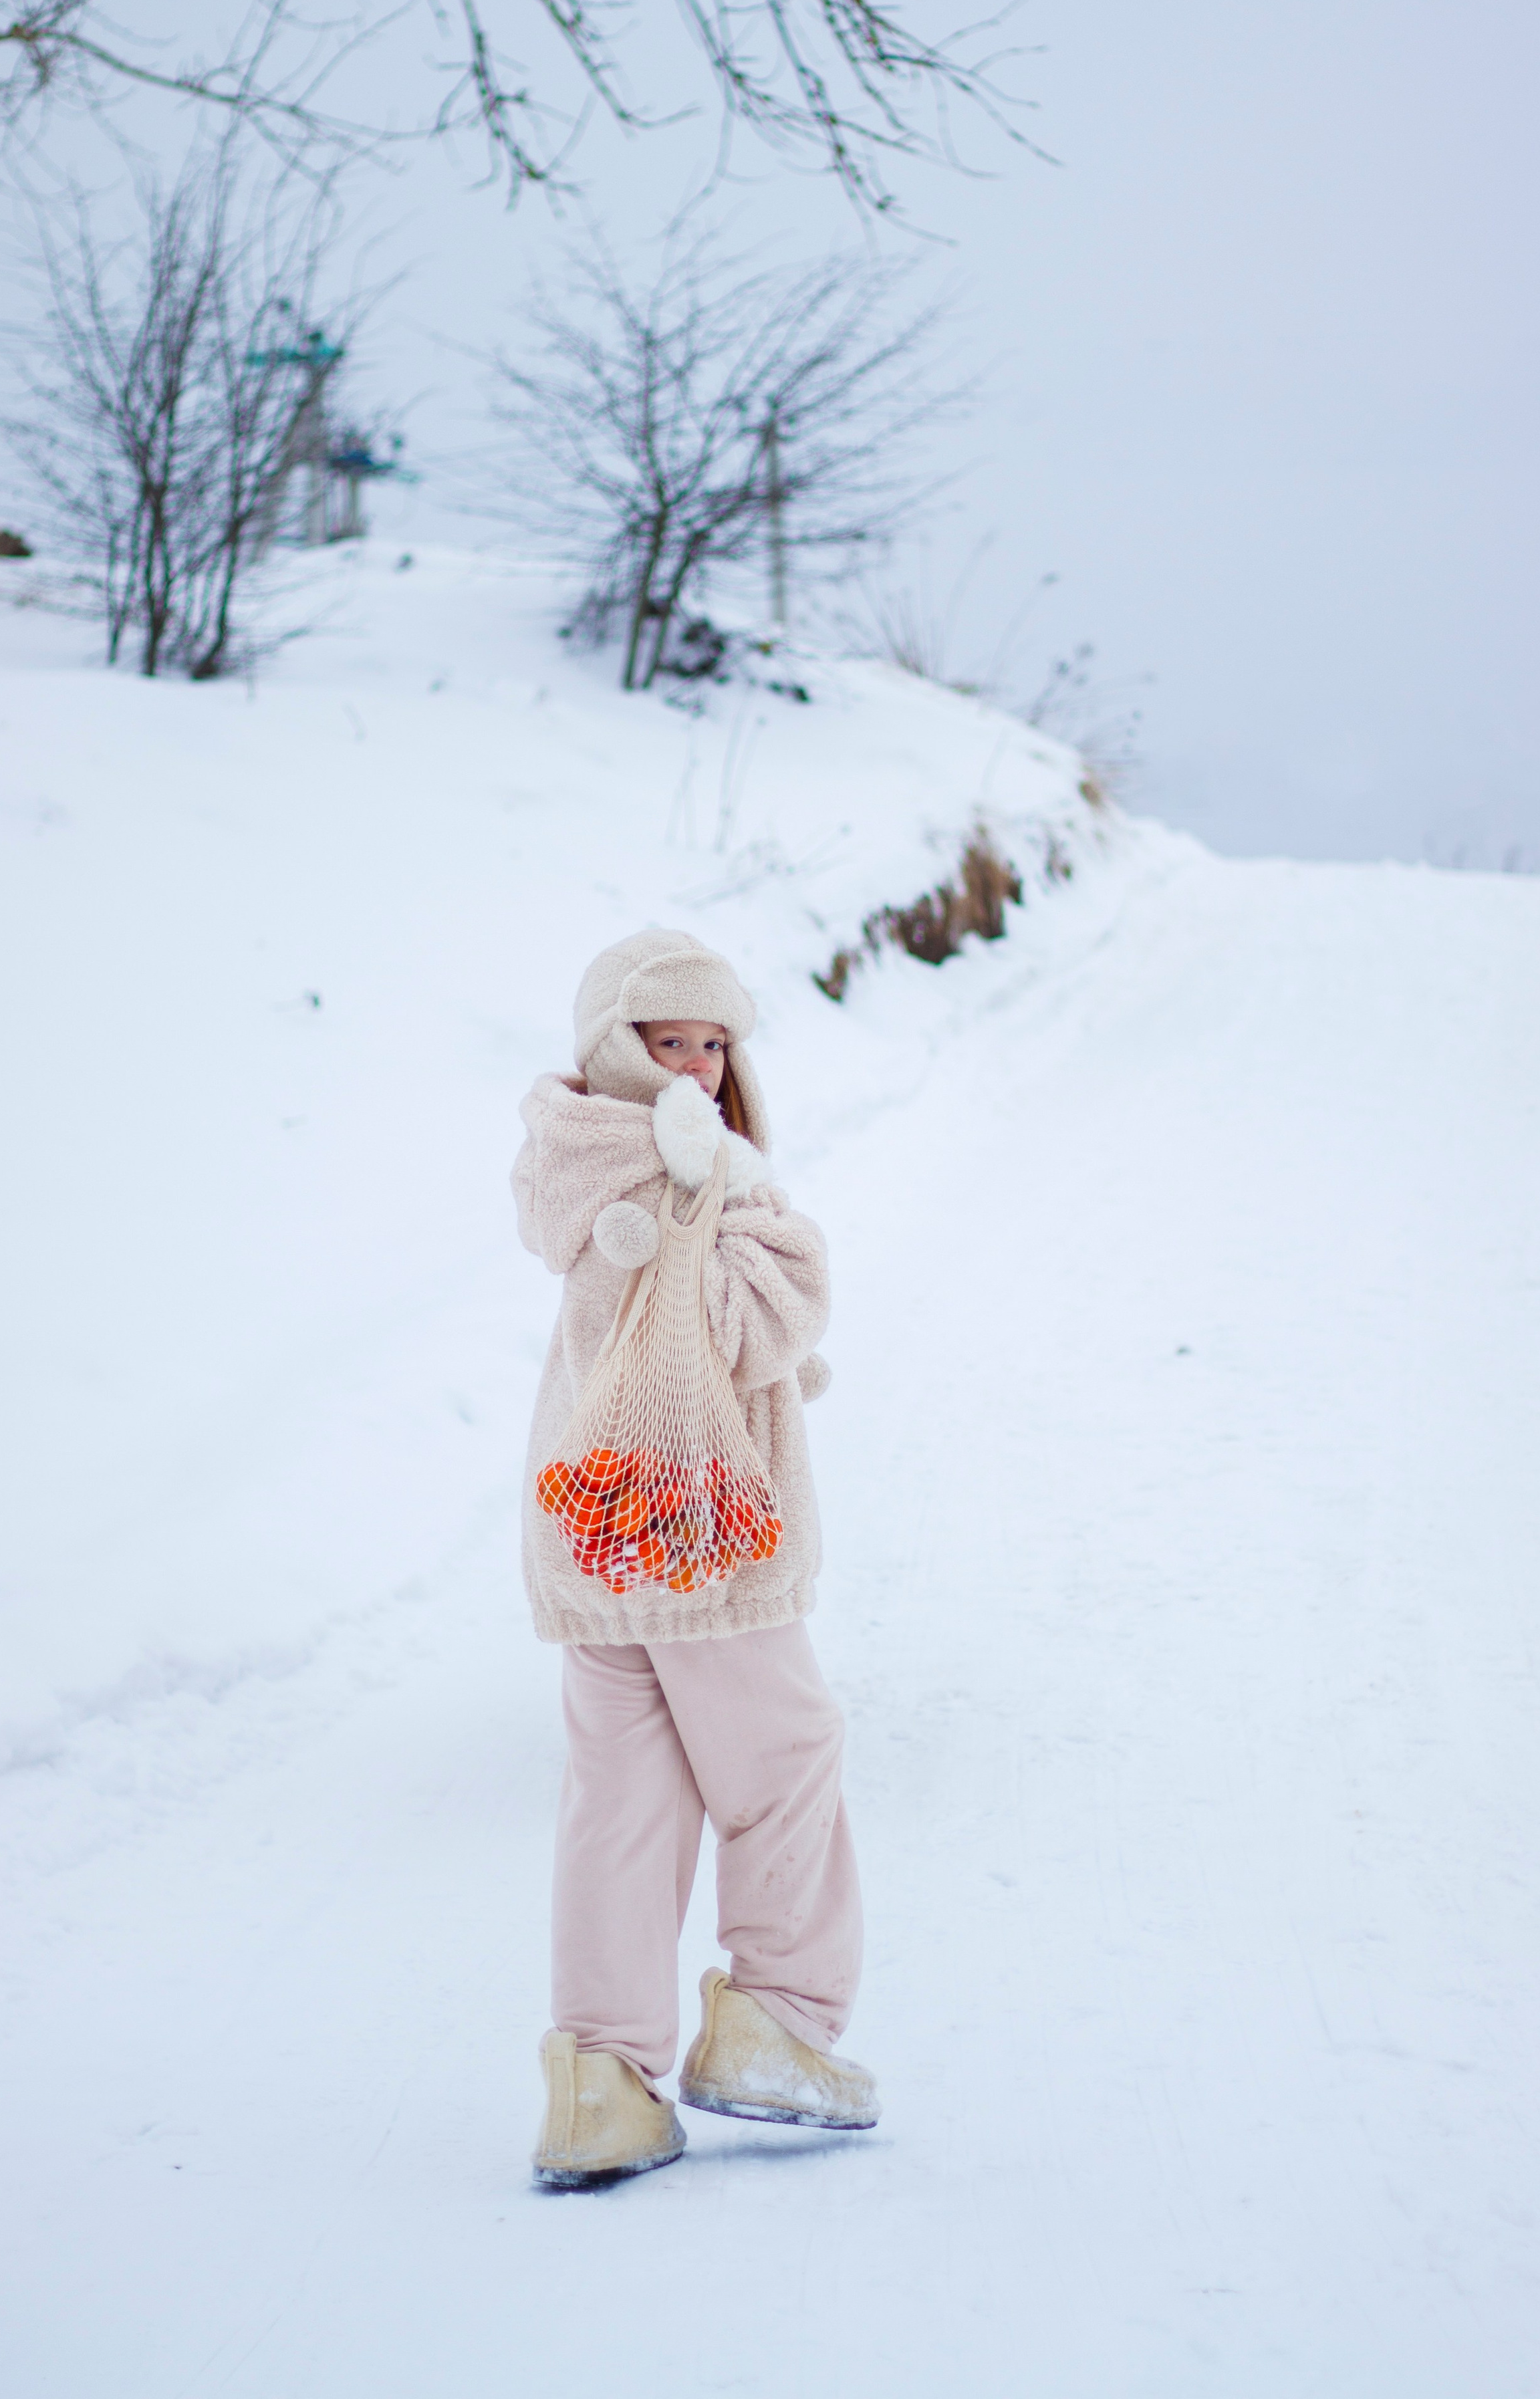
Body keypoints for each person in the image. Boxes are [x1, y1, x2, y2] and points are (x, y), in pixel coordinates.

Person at [511, 928, 878, 2188]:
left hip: (592, 1522)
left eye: (718, 1042)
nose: (704, 1069)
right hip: (690, 1525)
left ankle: (602, 2084)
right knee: (787, 1753)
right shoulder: (676, 1162)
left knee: (625, 1800)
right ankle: (778, 2018)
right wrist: (771, 1242)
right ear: (619, 1050)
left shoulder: (577, 1160)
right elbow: (740, 1320)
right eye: (673, 1041)